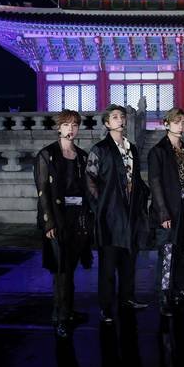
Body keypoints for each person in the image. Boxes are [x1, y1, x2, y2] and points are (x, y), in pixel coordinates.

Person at [86, 104, 150, 325]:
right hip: (110, 215)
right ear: (106, 123)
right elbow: (90, 180)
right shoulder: (100, 149)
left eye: (122, 117)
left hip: (130, 212)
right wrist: (100, 207)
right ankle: (106, 306)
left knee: (129, 260)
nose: (120, 120)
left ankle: (127, 298)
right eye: (114, 117)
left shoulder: (131, 148)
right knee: (108, 265)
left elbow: (136, 178)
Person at [34, 109, 92, 338]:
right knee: (61, 269)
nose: (71, 129)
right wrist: (48, 222)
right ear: (59, 127)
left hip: (78, 218)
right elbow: (42, 191)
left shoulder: (82, 156)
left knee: (70, 267)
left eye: (75, 125)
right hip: (57, 218)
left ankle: (65, 311)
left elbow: (88, 189)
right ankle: (61, 316)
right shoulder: (46, 155)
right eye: (67, 124)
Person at [148, 108, 184, 316]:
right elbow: (155, 183)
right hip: (168, 208)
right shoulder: (158, 151)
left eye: (183, 122)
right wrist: (163, 213)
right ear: (166, 124)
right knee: (167, 254)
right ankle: (164, 296)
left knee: (183, 251)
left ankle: (179, 290)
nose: (181, 126)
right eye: (176, 122)